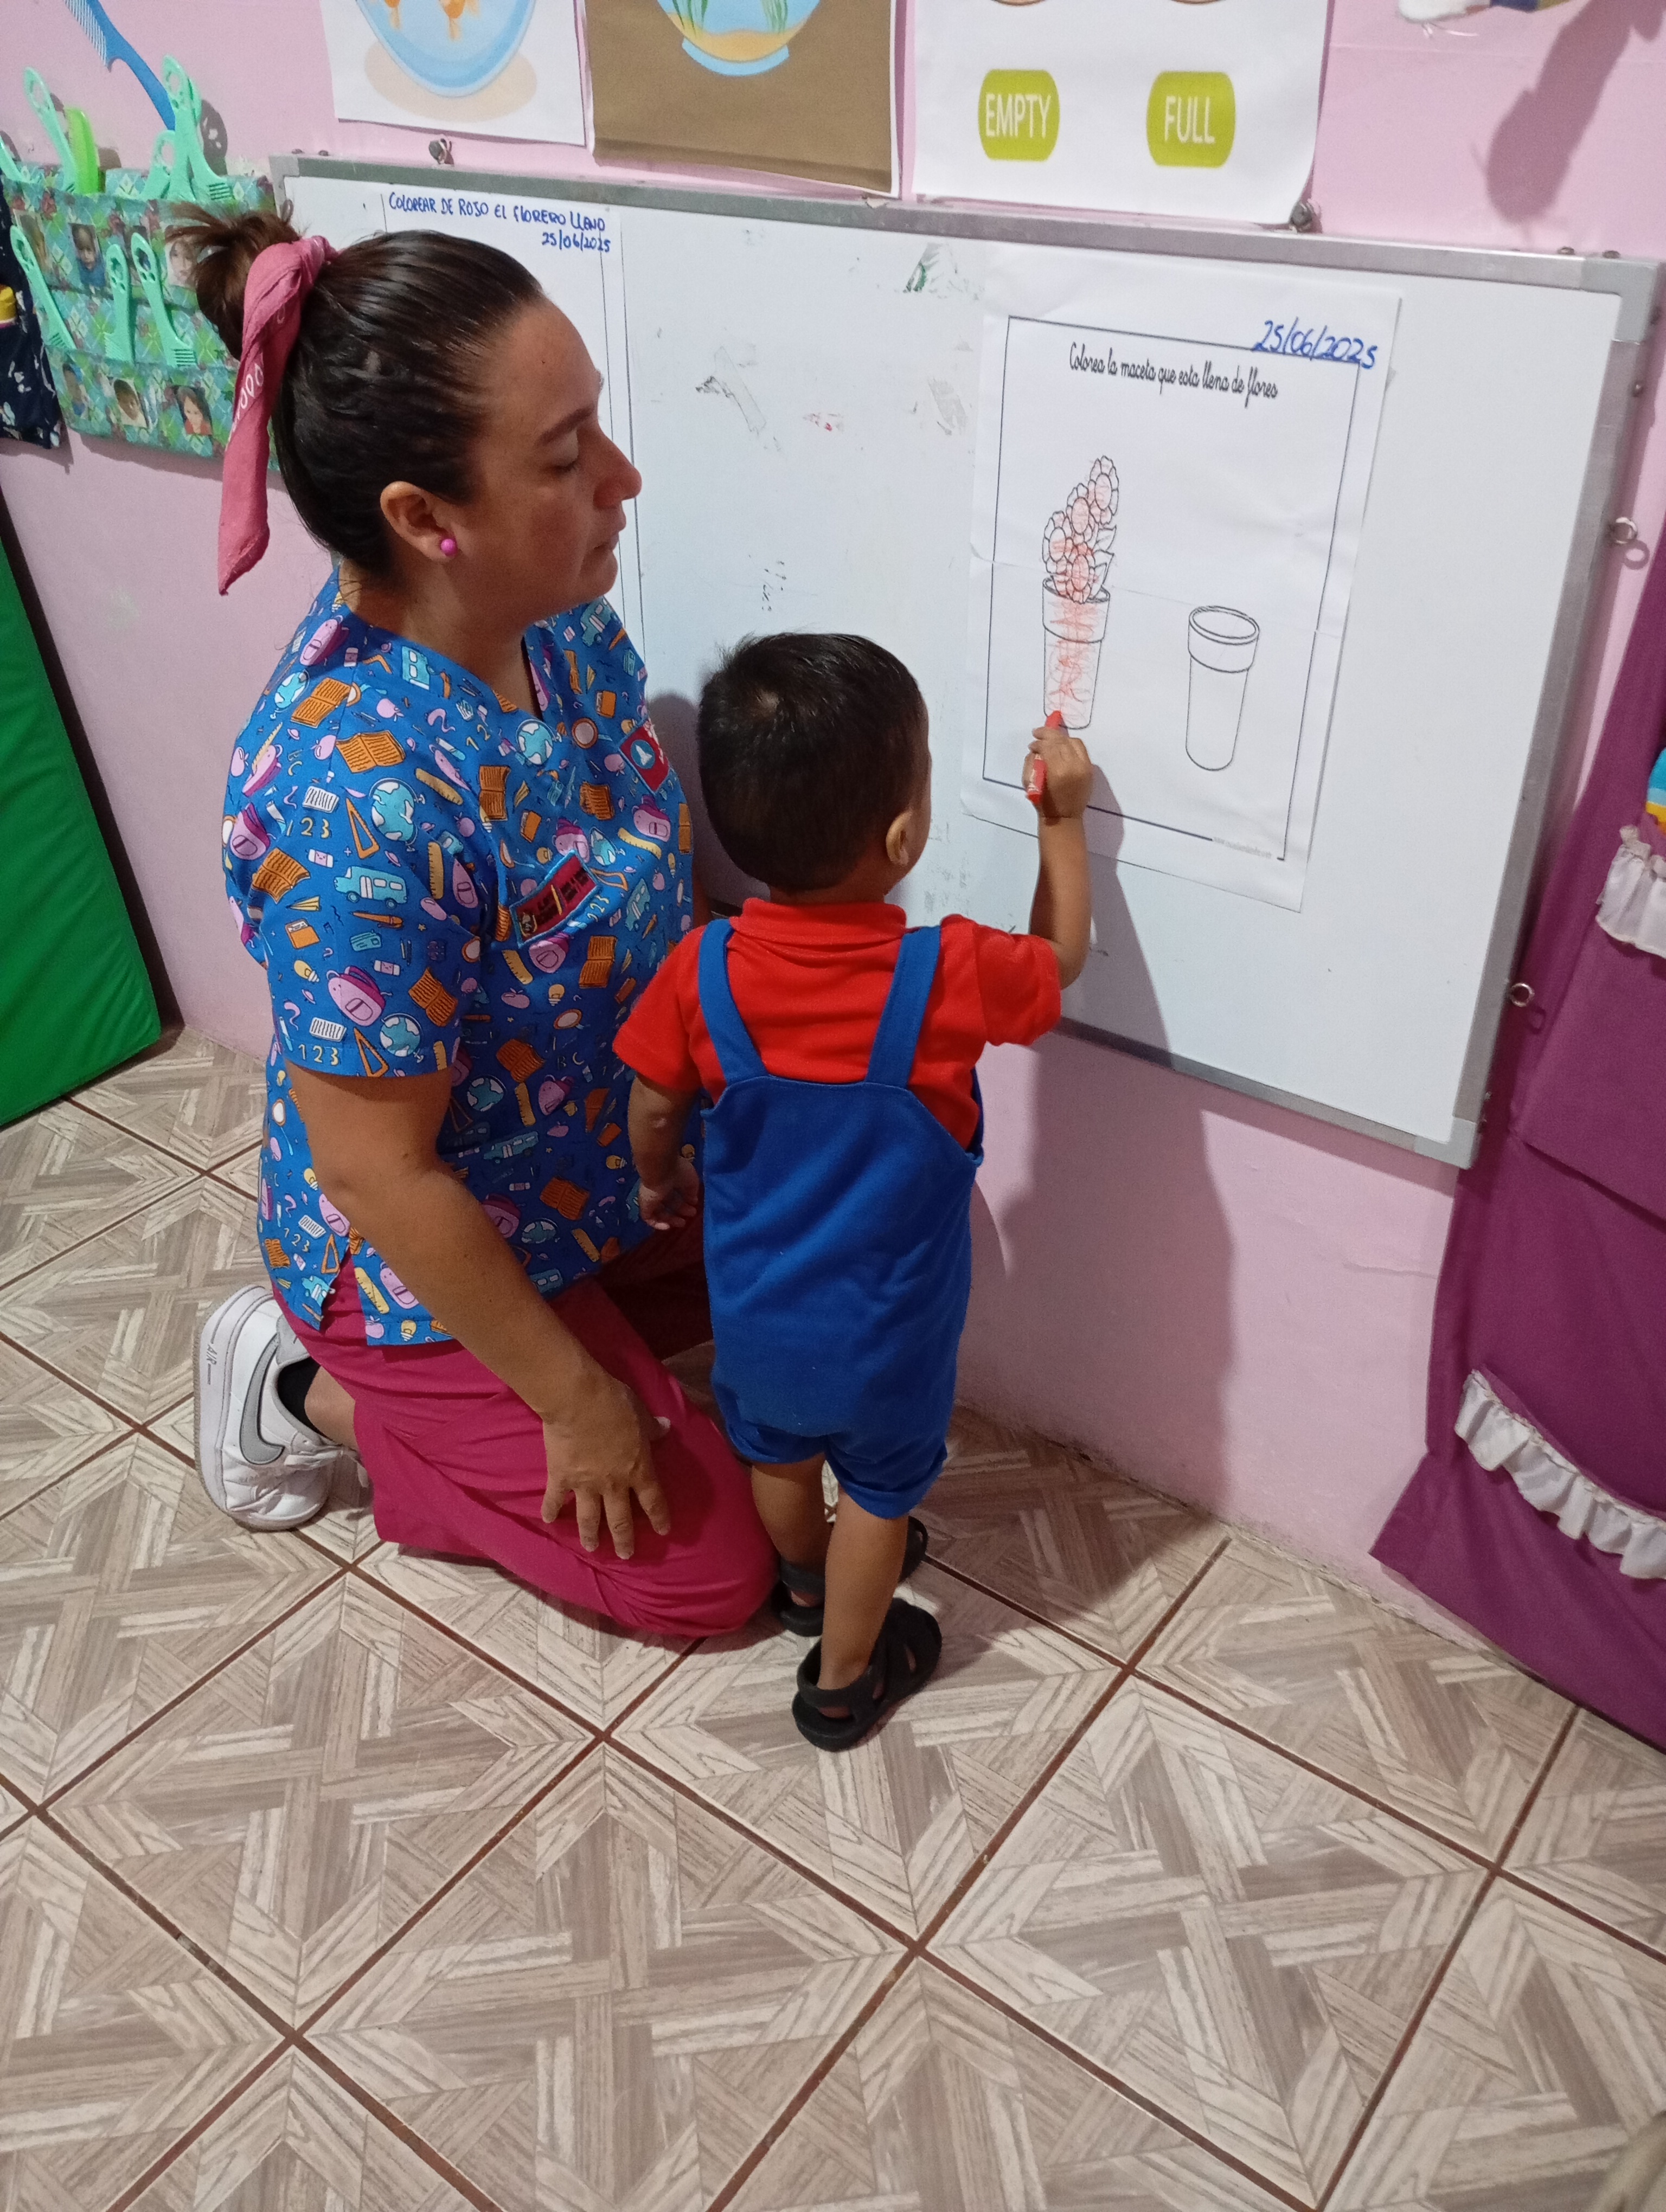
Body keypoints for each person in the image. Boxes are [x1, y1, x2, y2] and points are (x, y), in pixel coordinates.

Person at [185, 208, 775, 1639]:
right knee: (713, 1575)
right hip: (419, 1243)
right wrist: (575, 1402)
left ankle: (573, 1352)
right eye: (567, 461)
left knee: (822, 1252)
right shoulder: (358, 809)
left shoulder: (561, 626)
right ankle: (301, 1388)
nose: (623, 481)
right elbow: (377, 1169)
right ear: (420, 518)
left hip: (586, 1156)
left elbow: (645, 882)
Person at [617, 634, 1093, 1745]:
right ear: (904, 834)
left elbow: (651, 1102)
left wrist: (656, 1177)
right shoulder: (949, 974)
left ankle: (800, 1583)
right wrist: (1060, 820)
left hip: (757, 1318)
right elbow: (1060, 959)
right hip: (888, 1339)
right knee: (879, 1496)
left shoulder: (703, 968)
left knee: (778, 1458)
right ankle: (843, 1679)